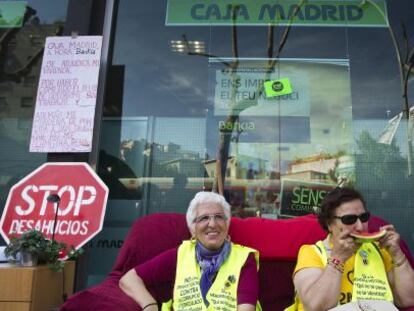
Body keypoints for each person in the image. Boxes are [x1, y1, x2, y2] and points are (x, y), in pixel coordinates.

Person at [119, 191, 261, 311]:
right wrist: (149, 305)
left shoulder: (243, 258)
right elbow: (129, 279)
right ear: (193, 229)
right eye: (204, 218)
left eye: (219, 217)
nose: (212, 224)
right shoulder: (179, 255)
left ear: (227, 224)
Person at [289, 187, 414, 311]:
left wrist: (397, 254)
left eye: (364, 217)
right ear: (329, 223)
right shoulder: (311, 252)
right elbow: (316, 306)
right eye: (349, 219)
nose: (360, 226)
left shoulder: (380, 250)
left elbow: (408, 299)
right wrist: (337, 259)